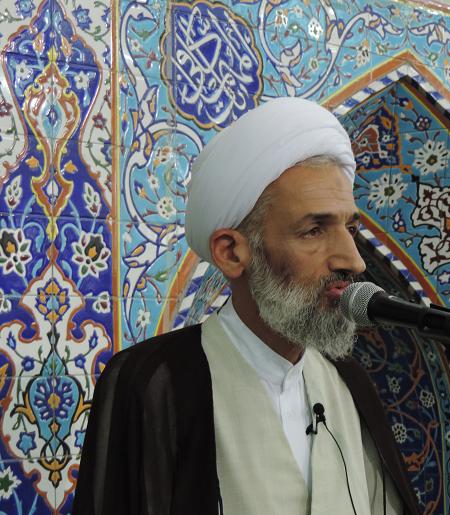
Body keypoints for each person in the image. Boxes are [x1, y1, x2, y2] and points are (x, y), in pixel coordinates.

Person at [73, 97, 421, 515]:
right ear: (232, 253)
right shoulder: (154, 381)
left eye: (350, 228)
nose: (354, 261)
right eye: (314, 230)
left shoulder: (349, 383)